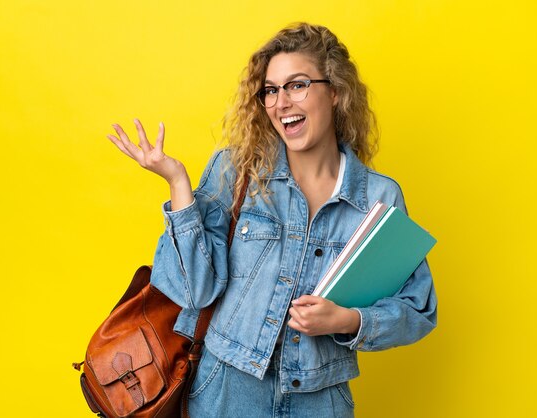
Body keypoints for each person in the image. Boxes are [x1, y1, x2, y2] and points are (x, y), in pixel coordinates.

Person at [106, 22, 437, 418]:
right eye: (271, 90)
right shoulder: (237, 171)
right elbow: (194, 291)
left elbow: (418, 310)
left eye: (297, 85)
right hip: (227, 389)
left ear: (334, 91)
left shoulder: (379, 198)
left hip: (322, 399)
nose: (281, 102)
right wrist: (178, 184)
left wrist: (347, 320)